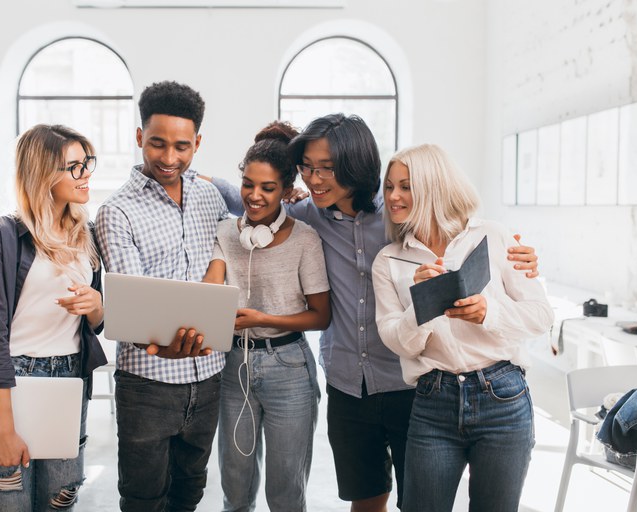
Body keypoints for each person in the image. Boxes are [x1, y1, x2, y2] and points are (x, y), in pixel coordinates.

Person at [210, 113, 540, 512]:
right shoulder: (308, 215)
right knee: (366, 500)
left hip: (413, 385)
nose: (314, 180)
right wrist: (190, 176)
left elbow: (462, 234)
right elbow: (252, 197)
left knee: (420, 500)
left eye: (326, 169)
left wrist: (523, 256)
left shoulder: (401, 211)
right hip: (349, 385)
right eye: (308, 169)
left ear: (355, 164)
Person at [371, 143, 554, 511]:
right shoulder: (389, 260)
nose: (393, 196)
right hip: (433, 400)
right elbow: (399, 342)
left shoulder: (492, 236)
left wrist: (489, 312)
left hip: (503, 394)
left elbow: (541, 315)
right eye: (389, 186)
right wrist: (420, 303)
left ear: (433, 185)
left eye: (405, 186)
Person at [0, 124, 107, 511]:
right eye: (74, 166)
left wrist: (96, 305)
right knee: (8, 504)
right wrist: (3, 430)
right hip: (9, 385)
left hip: (70, 380)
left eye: (87, 162)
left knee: (59, 503)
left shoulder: (86, 235)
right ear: (42, 173)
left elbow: (98, 322)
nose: (86, 173)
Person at [95, 80, 229, 512]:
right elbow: (131, 311)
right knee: (143, 498)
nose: (169, 158)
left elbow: (235, 245)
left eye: (181, 146)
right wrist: (160, 345)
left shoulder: (211, 197)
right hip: (147, 384)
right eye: (157, 144)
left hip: (209, 376)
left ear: (197, 143)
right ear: (139, 138)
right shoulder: (116, 212)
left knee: (190, 489)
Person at [202, 121, 331, 511]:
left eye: (267, 188)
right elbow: (211, 287)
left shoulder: (305, 239)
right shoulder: (226, 233)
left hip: (289, 367)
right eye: (248, 184)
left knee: (285, 493)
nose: (254, 196)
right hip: (234, 364)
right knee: (235, 490)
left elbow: (321, 316)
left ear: (287, 191)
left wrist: (266, 317)